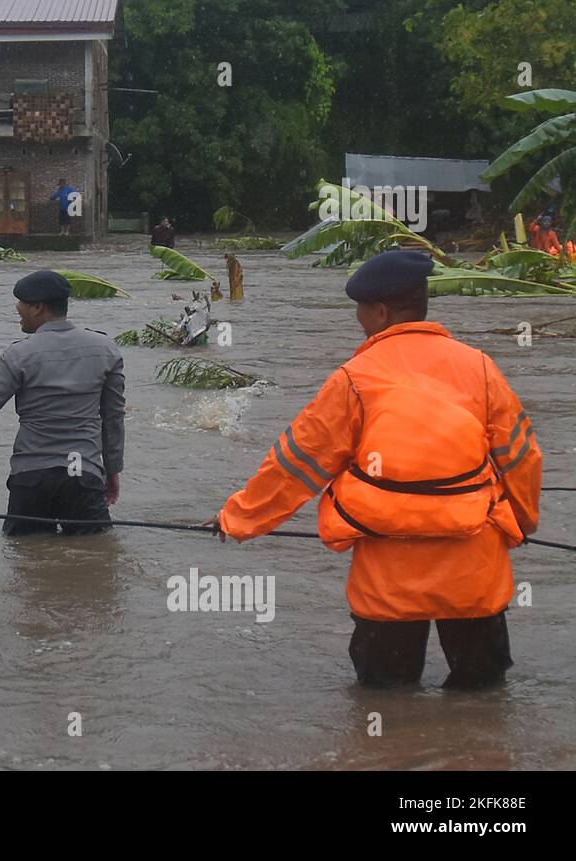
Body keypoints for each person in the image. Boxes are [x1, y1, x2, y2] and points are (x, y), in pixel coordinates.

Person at [209, 250, 542, 690]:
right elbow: (521, 457)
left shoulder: (354, 379)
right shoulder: (479, 368)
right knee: (482, 699)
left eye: (361, 309)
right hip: (474, 570)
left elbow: (296, 467)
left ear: (381, 312)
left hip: (390, 582)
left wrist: (236, 520)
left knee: (386, 699)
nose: (358, 319)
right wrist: (519, 522)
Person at [0, 270, 125, 535]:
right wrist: (112, 470)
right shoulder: (106, 348)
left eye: (22, 302)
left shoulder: (19, 354)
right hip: (81, 472)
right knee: (94, 560)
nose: (17, 308)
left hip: (31, 477)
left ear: (39, 307)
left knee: (27, 562)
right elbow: (113, 418)